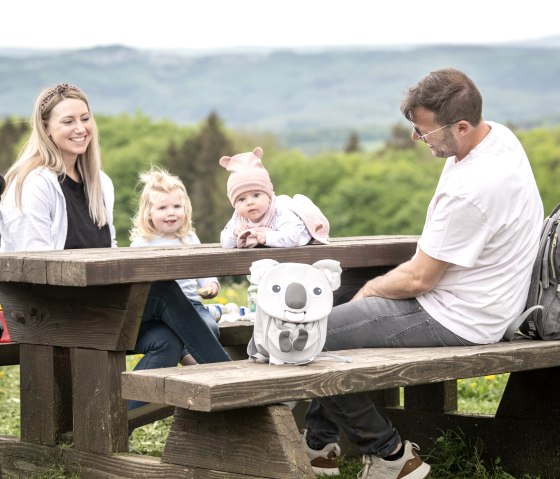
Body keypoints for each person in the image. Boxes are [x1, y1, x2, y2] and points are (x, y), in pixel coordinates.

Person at [302, 68, 543, 479]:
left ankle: (392, 456)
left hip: (458, 316)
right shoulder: (496, 138)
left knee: (305, 336)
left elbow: (419, 279)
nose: (419, 140)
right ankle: (319, 447)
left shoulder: (474, 189)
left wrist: (373, 291)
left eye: (425, 132)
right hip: (479, 298)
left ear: (462, 126)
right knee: (327, 294)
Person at [0, 83, 231, 412]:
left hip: (96, 302)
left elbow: (107, 252)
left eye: (85, 118)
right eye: (68, 121)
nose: (80, 129)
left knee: (165, 341)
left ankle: (106, 420)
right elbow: (32, 267)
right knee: (163, 291)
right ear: (46, 128)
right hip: (50, 311)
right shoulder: (33, 183)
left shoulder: (99, 182)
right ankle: (230, 385)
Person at [130, 166, 221, 366]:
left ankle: (194, 367)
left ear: (185, 208)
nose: (171, 213)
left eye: (176, 207)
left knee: (209, 326)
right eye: (162, 208)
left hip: (191, 304)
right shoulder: (142, 243)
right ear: (148, 213)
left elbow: (204, 268)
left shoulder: (189, 238)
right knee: (172, 333)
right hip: (156, 312)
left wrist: (211, 284)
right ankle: (196, 367)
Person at [219, 146, 329, 248]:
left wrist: (268, 237)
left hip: (297, 241)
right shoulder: (239, 217)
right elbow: (224, 242)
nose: (249, 202)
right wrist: (234, 234)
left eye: (256, 195)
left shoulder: (278, 210)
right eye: (241, 199)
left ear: (269, 196)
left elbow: (293, 236)